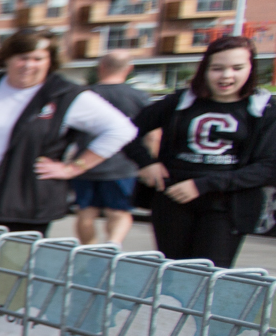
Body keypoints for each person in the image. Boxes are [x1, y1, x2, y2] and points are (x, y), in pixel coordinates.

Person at [0, 30, 138, 234]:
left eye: (38, 59)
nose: (28, 65)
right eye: (22, 58)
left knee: (11, 264)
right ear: (7, 58)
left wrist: (73, 168)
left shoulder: (64, 94)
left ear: (50, 61)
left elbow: (121, 130)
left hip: (23, 204)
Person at [110, 35, 276, 267]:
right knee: (175, 275)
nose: (227, 76)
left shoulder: (264, 108)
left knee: (208, 276)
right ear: (204, 69)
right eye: (217, 68)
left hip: (226, 206)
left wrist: (203, 185)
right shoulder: (181, 101)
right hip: (173, 200)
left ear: (251, 68)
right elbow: (124, 131)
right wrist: (146, 162)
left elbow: (267, 167)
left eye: (237, 68)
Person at [72, 52, 150, 246]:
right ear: (128, 69)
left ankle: (88, 250)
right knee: (119, 211)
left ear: (100, 68)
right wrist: (149, 162)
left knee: (86, 212)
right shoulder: (138, 96)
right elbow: (153, 134)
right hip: (123, 165)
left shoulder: (84, 95)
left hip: (85, 163)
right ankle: (113, 245)